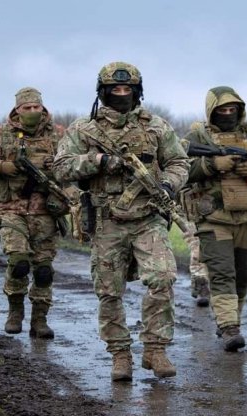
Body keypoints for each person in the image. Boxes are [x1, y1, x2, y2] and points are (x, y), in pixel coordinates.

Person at [52, 62, 189, 382]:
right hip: (107, 219)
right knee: (109, 291)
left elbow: (179, 162)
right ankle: (120, 354)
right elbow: (60, 167)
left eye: (128, 89)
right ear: (103, 92)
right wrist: (99, 161)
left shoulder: (156, 126)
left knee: (163, 277)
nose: (122, 94)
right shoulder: (84, 129)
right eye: (115, 89)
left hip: (148, 217)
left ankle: (155, 348)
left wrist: (168, 185)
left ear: (137, 92)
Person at [181, 86, 247, 351]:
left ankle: (229, 319)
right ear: (211, 111)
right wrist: (212, 165)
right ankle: (229, 328)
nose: (228, 114)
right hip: (213, 219)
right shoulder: (198, 137)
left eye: (232, 109)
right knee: (222, 274)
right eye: (222, 110)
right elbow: (179, 168)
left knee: (242, 277)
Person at [0, 87, 65, 339]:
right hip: (11, 209)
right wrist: (3, 166)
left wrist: (55, 167)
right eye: (27, 108)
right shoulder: (1, 134)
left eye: (37, 107)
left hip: (46, 212)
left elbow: (74, 165)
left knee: (44, 270)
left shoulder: (58, 134)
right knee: (19, 262)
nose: (33, 111)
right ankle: (15, 312)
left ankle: (40, 321)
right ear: (17, 109)